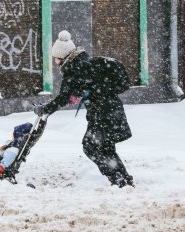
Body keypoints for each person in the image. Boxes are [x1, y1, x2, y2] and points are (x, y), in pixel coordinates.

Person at [34, 30, 134, 188]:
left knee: (90, 146)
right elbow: (80, 91)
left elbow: (64, 97)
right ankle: (124, 179)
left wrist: (46, 109)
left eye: (56, 58)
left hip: (101, 113)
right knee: (105, 147)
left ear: (64, 57)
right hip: (112, 108)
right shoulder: (88, 62)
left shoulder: (73, 70)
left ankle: (117, 178)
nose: (55, 61)